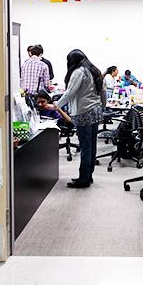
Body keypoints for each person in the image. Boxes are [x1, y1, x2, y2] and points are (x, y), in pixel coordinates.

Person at [54, 49, 105, 188]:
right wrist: (103, 107)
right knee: (92, 145)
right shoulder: (94, 70)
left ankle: (83, 179)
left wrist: (56, 105)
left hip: (84, 111)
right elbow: (103, 91)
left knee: (85, 146)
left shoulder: (78, 72)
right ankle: (88, 176)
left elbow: (70, 92)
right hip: (96, 110)